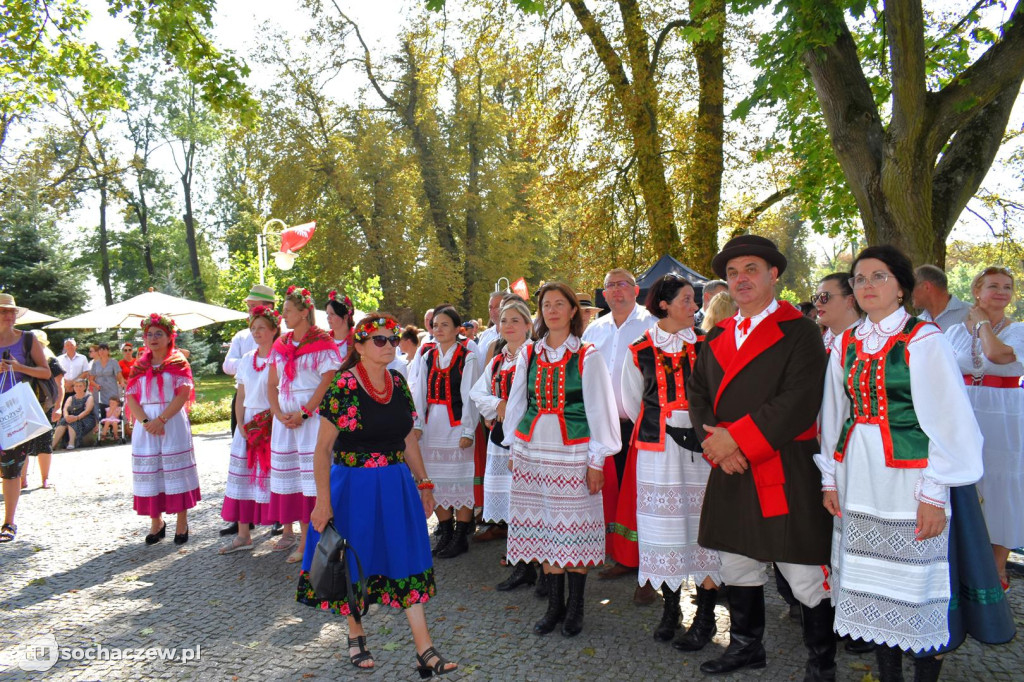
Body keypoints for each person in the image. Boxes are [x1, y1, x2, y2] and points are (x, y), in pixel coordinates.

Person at [820, 246, 1012, 682]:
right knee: (875, 583)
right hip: (858, 474)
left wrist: (933, 493)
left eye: (878, 277)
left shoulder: (924, 340)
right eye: (860, 279)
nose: (867, 286)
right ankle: (889, 676)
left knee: (916, 584)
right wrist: (829, 478)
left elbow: (951, 423)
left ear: (902, 287)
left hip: (911, 477)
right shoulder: (846, 342)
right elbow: (834, 412)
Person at [685, 235, 833, 678]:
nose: (741, 279)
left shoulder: (801, 331)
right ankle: (748, 647)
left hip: (784, 465)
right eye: (732, 273)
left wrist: (737, 441)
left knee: (804, 569)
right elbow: (698, 396)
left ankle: (822, 661)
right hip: (731, 466)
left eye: (750, 269)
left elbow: (800, 400)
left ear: (773, 275)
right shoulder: (717, 335)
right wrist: (717, 446)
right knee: (735, 561)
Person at [298, 313, 458, 675]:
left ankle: (424, 648)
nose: (389, 345)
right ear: (359, 347)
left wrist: (425, 482)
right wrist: (323, 502)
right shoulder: (342, 386)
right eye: (379, 340)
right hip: (353, 487)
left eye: (392, 338)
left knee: (407, 560)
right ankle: (356, 633)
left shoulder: (398, 383)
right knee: (354, 560)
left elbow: (408, 437)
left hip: (396, 484)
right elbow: (322, 450)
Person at [502, 282, 621, 637]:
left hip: (573, 454)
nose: (552, 310)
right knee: (544, 530)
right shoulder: (529, 353)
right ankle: (554, 607)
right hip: (534, 452)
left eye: (559, 304)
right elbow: (518, 403)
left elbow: (601, 410)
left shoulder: (588, 355)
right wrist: (513, 447)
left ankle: (576, 608)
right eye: (546, 305)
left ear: (573, 311)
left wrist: (597, 461)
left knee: (572, 530)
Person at [619, 274, 722, 649]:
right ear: (663, 303)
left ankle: (706, 616)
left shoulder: (707, 345)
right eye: (686, 299)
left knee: (704, 528)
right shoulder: (639, 348)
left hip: (703, 449)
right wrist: (659, 423)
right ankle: (671, 608)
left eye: (694, 301)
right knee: (664, 532)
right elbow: (632, 401)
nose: (694, 307)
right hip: (657, 450)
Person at [945, 266, 1023, 592]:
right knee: (968, 485)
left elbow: (997, 355)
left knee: (1001, 488)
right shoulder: (953, 332)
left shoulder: (1018, 329)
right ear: (978, 290)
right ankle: (963, 562)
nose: (1001, 292)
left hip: (1004, 417)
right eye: (993, 286)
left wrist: (981, 324)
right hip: (965, 413)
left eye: (1007, 287)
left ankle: (997, 568)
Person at [582, 268, 656, 600]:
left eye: (621, 284)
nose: (615, 290)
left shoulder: (651, 323)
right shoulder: (594, 329)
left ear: (636, 290)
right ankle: (623, 556)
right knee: (610, 495)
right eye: (609, 285)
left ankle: (650, 572)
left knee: (643, 497)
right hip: (601, 427)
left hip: (640, 426)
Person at [267, 286, 341, 563]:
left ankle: (321, 542)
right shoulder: (281, 344)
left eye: (287, 311)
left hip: (312, 420)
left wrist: (305, 413)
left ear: (303, 312)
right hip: (285, 424)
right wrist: (277, 413)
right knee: (297, 483)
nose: (283, 315)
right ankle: (303, 541)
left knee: (316, 480)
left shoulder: (322, 342)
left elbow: (327, 381)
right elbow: (271, 385)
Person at [469, 297, 534, 587]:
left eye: (515, 320)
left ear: (528, 325)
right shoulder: (498, 359)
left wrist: (510, 408)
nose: (508, 326)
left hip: (529, 438)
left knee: (528, 503)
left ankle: (535, 565)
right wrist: (498, 405)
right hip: (501, 438)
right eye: (504, 320)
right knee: (511, 502)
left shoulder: (533, 356)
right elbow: (477, 392)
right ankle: (522, 564)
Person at [410, 304, 480, 559]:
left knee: (460, 479)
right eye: (435, 325)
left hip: (457, 424)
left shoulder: (468, 355)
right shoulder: (427, 353)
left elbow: (470, 395)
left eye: (445, 325)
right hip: (432, 424)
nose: (438, 329)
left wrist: (468, 430)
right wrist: (417, 424)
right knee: (435, 480)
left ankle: (461, 536)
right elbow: (419, 390)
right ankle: (446, 531)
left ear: (457, 329)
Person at [125, 313, 201, 546]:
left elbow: (183, 393)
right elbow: (130, 396)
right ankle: (156, 522)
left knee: (175, 470)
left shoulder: (178, 362)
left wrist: (162, 419)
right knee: (152, 472)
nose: (153, 338)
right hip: (146, 425)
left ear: (170, 337)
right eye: (149, 334)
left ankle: (181, 521)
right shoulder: (139, 364)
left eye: (159, 334)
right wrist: (147, 422)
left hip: (172, 422)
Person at [219, 305, 281, 554]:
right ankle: (244, 534)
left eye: (261, 328)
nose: (256, 332)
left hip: (273, 422)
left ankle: (284, 529)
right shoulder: (247, 359)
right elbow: (241, 394)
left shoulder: (280, 358)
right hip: (249, 423)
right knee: (244, 478)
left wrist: (272, 419)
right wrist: (241, 424)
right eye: (253, 328)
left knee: (275, 476)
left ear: (274, 330)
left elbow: (279, 392)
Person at [0, 294, 54, 543]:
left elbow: (45, 371)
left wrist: (18, 368)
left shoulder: (27, 339)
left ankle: (9, 522)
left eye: (11, 312)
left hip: (15, 412)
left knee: (11, 468)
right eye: (3, 312)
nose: (9, 316)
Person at [19, 330, 63, 490]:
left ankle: (23, 480)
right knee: (44, 443)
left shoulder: (21, 358)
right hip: (45, 404)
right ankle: (44, 480)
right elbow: (60, 385)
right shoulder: (51, 359)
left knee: (23, 442)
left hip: (25, 404)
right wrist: (58, 407)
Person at [912, 264, 970, 331]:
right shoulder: (916, 324)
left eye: (911, 287)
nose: (908, 292)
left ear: (926, 287)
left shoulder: (971, 314)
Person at [814, 273, 862, 349]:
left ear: (850, 300)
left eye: (824, 297)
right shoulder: (813, 343)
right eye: (815, 298)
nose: (817, 304)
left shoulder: (874, 343)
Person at [51, 379, 96, 450]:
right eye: (76, 386)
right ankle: (53, 445)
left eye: (80, 386)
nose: (78, 388)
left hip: (86, 419)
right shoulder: (70, 398)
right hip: (72, 417)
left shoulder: (89, 397)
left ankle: (71, 443)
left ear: (84, 387)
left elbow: (87, 411)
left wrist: (77, 417)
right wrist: (66, 417)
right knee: (63, 421)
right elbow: (65, 409)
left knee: (73, 422)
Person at [87, 343, 124, 423]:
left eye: (104, 349)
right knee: (100, 407)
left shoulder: (113, 362)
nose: (102, 351)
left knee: (113, 406)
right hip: (99, 389)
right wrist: (95, 385)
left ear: (108, 351)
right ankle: (102, 427)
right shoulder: (95, 364)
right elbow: (91, 379)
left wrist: (122, 383)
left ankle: (114, 426)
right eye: (100, 349)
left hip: (111, 389)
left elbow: (119, 376)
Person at [325, 289, 355, 363]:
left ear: (345, 317)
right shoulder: (324, 339)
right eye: (327, 314)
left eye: (332, 314)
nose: (328, 318)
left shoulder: (357, 339)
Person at [475, 291, 506, 359]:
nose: (493, 311)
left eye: (497, 306)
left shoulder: (513, 335)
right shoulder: (485, 334)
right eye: (490, 307)